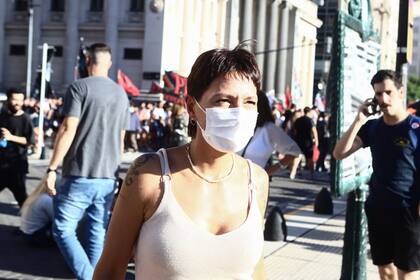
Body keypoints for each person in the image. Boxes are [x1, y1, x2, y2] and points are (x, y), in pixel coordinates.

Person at [94, 46, 269, 279]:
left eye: (249, 101)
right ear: (191, 107)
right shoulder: (149, 175)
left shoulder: (257, 181)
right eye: (224, 100)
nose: (239, 112)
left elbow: (255, 270)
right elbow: (109, 271)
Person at [44, 43, 129, 280]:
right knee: (96, 232)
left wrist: (52, 168)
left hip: (80, 173)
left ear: (87, 61)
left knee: (62, 228)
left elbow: (68, 128)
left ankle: (89, 277)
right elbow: (122, 140)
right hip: (107, 176)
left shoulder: (79, 87)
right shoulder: (121, 94)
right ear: (109, 64)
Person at [333, 70, 420, 279]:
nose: (384, 99)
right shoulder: (373, 127)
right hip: (379, 207)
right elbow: (339, 153)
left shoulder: (415, 128)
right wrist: (359, 119)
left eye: (388, 92)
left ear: (400, 92)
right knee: (385, 271)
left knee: (408, 274)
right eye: (379, 94)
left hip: (408, 210)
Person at [240, 91, 301, 176]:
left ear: (259, 106)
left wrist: (268, 171)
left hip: (253, 185)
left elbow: (294, 151)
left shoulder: (269, 128)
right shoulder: (239, 126)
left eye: (249, 102)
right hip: (227, 184)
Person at [0, 88, 34, 207]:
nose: (17, 103)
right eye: (15, 99)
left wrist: (10, 137)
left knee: (22, 198)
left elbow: (29, 142)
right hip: (1, 165)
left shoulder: (26, 119)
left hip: (17, 166)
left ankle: (30, 222)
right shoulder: (2, 116)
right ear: (8, 100)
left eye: (20, 100)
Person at [20, 177, 54, 246]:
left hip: (26, 234)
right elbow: (58, 219)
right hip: (36, 236)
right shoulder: (47, 199)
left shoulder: (36, 195)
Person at [294, 106, 318, 176]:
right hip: (307, 140)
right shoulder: (310, 120)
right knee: (310, 157)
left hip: (298, 139)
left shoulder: (298, 120)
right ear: (309, 112)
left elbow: (295, 131)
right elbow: (314, 131)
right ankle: (312, 173)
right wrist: (316, 140)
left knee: (298, 156)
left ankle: (294, 171)